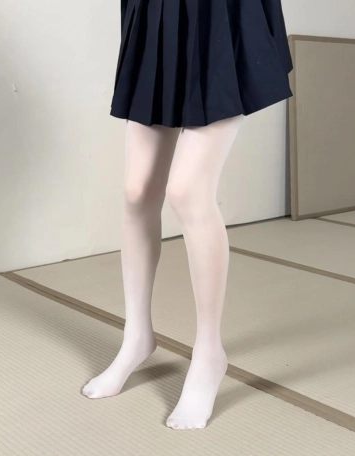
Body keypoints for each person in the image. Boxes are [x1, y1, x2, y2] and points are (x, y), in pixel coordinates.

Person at [82, 0, 294, 431]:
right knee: (136, 192)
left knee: (187, 191)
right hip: (155, 14)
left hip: (220, 13)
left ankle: (209, 352)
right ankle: (137, 337)